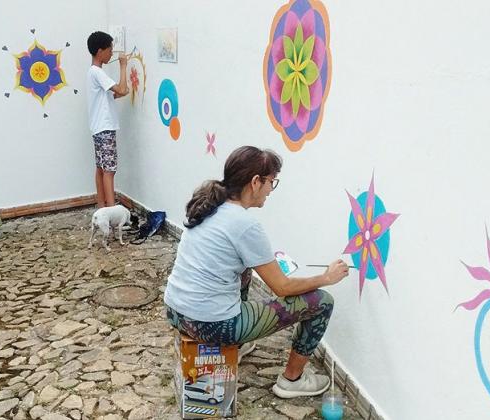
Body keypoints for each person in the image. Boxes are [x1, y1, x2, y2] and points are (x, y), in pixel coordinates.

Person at [163, 146, 349, 399]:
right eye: (272, 182)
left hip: (176, 312)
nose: (271, 190)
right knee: (322, 302)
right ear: (255, 182)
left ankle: (236, 346)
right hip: (213, 325)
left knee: (245, 270)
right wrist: (326, 278)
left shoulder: (209, 207)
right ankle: (292, 380)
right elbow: (281, 288)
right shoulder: (245, 223)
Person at [86, 31, 129, 208]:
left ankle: (101, 206)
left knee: (101, 169)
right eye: (109, 49)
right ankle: (111, 211)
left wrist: (121, 90)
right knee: (109, 170)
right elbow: (121, 90)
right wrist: (123, 66)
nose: (111, 53)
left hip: (98, 128)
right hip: (105, 128)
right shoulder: (97, 72)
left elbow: (113, 95)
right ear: (99, 51)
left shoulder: (92, 73)